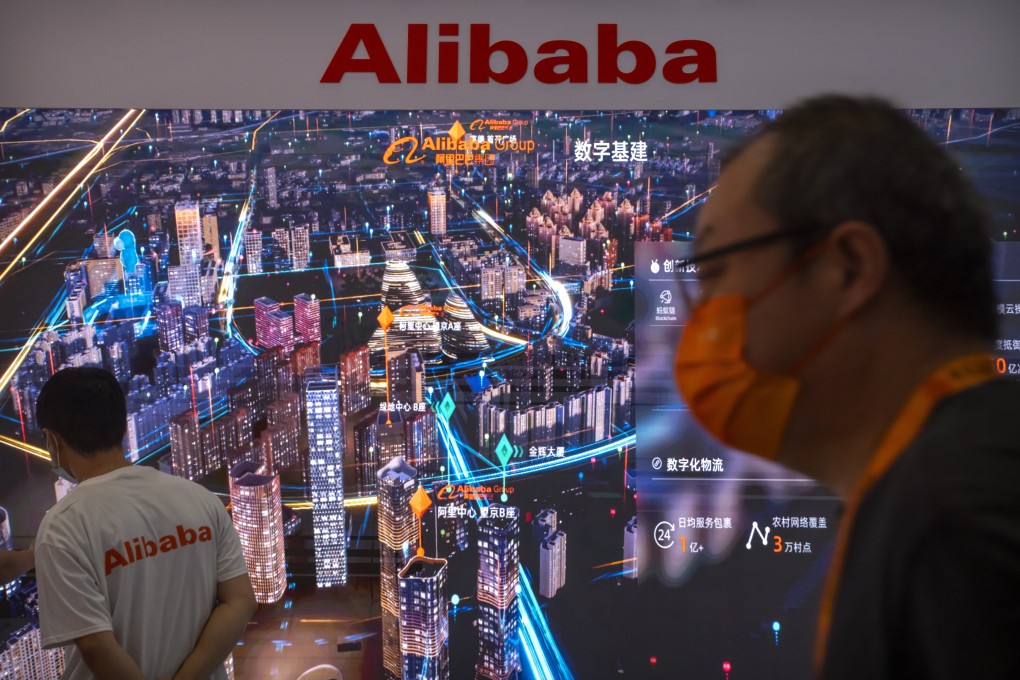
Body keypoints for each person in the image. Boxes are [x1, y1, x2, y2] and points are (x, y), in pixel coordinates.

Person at [673, 95, 1020, 678]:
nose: (699, 317)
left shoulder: (962, 521)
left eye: (716, 272)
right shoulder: (931, 488)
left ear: (850, 269)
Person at [33, 367, 256, 680]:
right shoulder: (199, 499)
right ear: (124, 427)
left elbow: (96, 645)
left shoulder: (64, 526)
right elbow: (240, 600)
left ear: (53, 440)